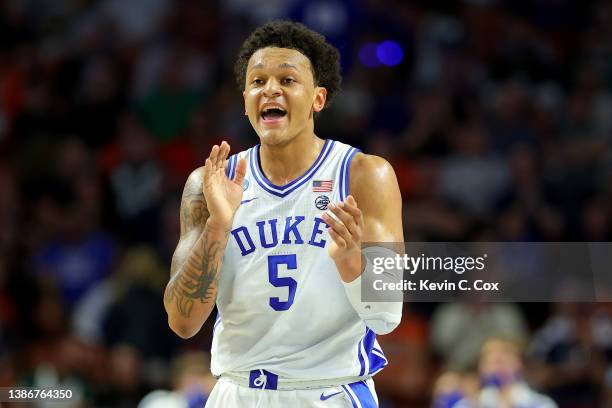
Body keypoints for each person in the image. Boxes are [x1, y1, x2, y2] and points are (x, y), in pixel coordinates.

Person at [163, 21, 403, 407]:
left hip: (329, 391)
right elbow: (183, 322)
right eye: (258, 81)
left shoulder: (364, 175)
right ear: (245, 101)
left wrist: (351, 263)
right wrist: (217, 228)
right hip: (235, 390)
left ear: (318, 99)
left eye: (287, 80)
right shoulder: (208, 183)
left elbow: (387, 317)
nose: (270, 89)